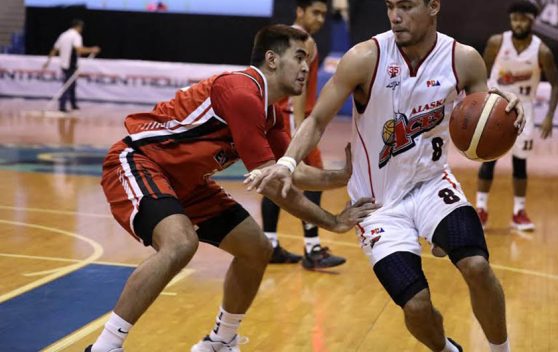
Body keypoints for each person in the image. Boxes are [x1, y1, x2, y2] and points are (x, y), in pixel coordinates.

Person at [247, 0, 524, 352]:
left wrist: (505, 103)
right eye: (391, 6)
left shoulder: (462, 59)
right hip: (375, 204)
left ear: (433, 7)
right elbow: (318, 119)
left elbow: (484, 112)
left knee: (477, 266)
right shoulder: (365, 57)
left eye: (406, 6)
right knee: (416, 305)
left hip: (431, 186)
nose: (396, 16)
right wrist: (288, 163)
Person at [88, 24, 378, 352]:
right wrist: (333, 222)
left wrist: (343, 175)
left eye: (308, 61)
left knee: (256, 249)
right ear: (271, 59)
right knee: (180, 243)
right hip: (142, 162)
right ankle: (105, 346)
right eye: (299, 57)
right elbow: (275, 186)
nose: (305, 68)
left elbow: (290, 172)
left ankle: (220, 340)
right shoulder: (241, 92)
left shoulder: (270, 112)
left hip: (188, 181)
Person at [261, 0, 345, 269]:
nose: (320, 18)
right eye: (315, 12)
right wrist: (299, 129)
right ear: (300, 11)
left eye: (323, 13)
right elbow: (297, 92)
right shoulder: (304, 42)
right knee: (314, 179)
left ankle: (269, 244)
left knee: (276, 180)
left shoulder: (286, 37)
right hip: (294, 120)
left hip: (280, 116)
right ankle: (312, 248)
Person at [475, 0, 558, 231]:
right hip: (496, 103)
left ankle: (518, 212)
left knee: (520, 163)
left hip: (525, 109)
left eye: (523, 19)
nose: (518, 23)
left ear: (532, 21)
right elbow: (480, 75)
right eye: (514, 19)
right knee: (488, 159)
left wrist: (550, 116)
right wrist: (478, 106)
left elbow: (555, 85)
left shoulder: (542, 51)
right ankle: (481, 209)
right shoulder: (496, 43)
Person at [43, 19, 101, 112]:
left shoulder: (63, 35)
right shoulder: (76, 36)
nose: (81, 30)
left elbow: (55, 49)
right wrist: (92, 49)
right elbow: (79, 50)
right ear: (78, 27)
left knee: (72, 84)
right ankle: (62, 106)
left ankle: (73, 104)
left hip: (64, 64)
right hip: (71, 65)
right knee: (67, 85)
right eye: (81, 28)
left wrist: (48, 61)